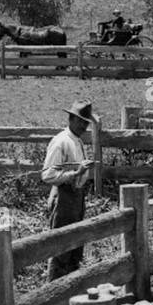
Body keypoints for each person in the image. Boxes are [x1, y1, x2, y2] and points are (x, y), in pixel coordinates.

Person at [41, 100, 96, 280]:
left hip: (77, 197)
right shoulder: (61, 142)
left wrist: (81, 172)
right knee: (60, 248)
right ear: (70, 119)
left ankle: (71, 292)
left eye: (86, 122)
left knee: (75, 246)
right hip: (63, 197)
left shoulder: (77, 141)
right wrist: (75, 173)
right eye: (80, 121)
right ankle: (54, 294)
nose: (83, 126)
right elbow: (48, 175)